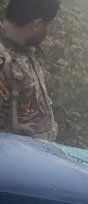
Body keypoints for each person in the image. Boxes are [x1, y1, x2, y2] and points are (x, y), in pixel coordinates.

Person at [0, 0, 60, 141]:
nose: (48, 31)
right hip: (13, 158)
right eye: (48, 24)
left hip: (38, 155)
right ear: (37, 25)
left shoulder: (26, 49)